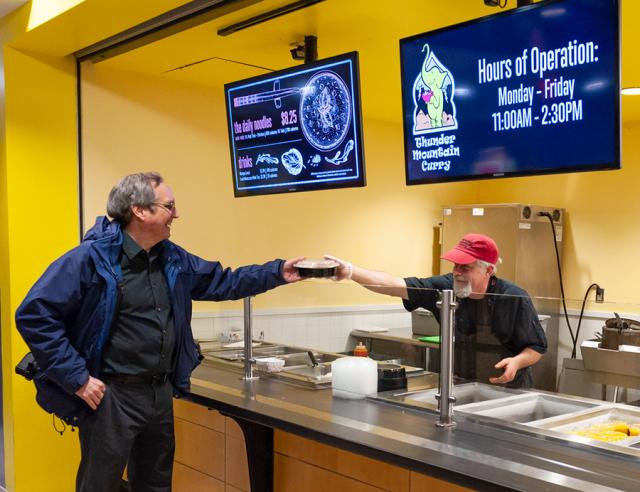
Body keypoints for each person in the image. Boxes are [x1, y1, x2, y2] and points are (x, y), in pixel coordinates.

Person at [15, 171, 304, 492]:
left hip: (158, 394)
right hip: (111, 397)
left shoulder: (172, 258)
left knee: (155, 486)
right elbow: (34, 314)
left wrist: (277, 272)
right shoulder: (90, 259)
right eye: (169, 206)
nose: (176, 214)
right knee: (100, 486)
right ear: (140, 210)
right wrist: (77, 378)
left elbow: (224, 281)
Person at [326, 233, 547, 388]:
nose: (457, 272)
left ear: (488, 270)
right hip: (460, 385)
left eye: (465, 267)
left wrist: (517, 362)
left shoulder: (512, 297)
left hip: (508, 389)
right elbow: (395, 285)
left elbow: (536, 347)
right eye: (455, 265)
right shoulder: (445, 287)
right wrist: (351, 272)